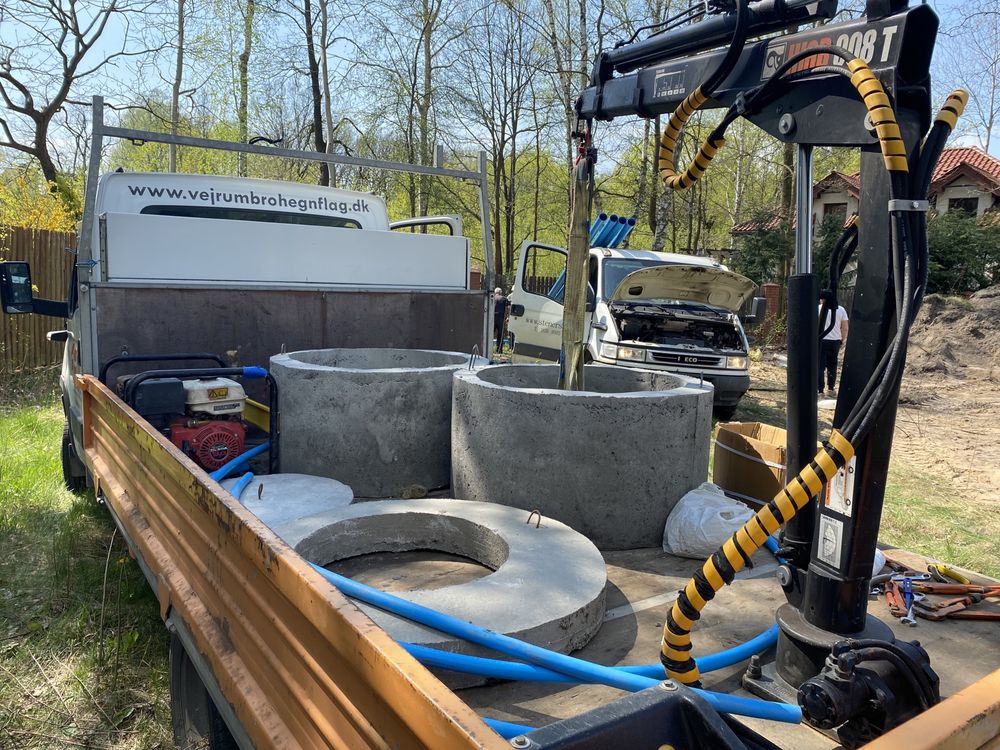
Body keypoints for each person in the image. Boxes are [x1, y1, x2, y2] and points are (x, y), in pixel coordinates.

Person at [818, 289, 849, 396]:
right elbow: (845, 327)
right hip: (835, 341)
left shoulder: (818, 309)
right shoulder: (841, 310)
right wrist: (842, 340)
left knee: (819, 366)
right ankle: (831, 388)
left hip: (821, 340)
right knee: (832, 365)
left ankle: (820, 390)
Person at [493, 287, 510, 352]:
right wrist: (507, 317)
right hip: (501, 318)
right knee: (500, 334)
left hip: (492, 318)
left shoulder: (492, 298)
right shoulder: (504, 299)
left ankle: (488, 349)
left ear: (495, 292)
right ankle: (499, 349)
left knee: (490, 334)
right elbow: (508, 308)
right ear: (500, 292)